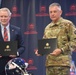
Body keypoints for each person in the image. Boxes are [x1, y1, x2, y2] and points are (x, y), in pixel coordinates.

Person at [35, 3, 76, 75]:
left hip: (63, 64)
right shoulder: (47, 27)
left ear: (60, 12)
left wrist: (61, 50)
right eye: (50, 12)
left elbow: (74, 41)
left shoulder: (68, 24)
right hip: (50, 64)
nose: (52, 14)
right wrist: (40, 51)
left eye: (55, 11)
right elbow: (45, 44)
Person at [0, 7, 25, 75]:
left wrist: (16, 53)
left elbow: (22, 47)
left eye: (5, 16)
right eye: (1, 16)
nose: (3, 18)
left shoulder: (17, 30)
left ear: (9, 17)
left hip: (13, 65)